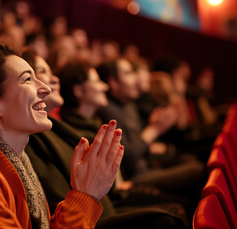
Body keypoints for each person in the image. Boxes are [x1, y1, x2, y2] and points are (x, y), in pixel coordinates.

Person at [0, 39, 125, 228]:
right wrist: (84, 197)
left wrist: (85, 193)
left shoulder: (14, 160)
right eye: (28, 79)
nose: (45, 88)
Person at [22, 48, 187, 228]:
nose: (104, 86)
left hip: (103, 202)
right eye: (42, 73)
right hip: (91, 211)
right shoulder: (41, 135)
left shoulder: (78, 124)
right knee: (172, 214)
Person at [95, 58, 205, 197]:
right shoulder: (107, 111)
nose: (135, 79)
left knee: (188, 159)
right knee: (197, 169)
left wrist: (155, 129)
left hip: (148, 167)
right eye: (128, 73)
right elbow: (128, 159)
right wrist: (154, 129)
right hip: (134, 178)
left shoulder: (129, 105)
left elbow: (143, 148)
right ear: (113, 82)